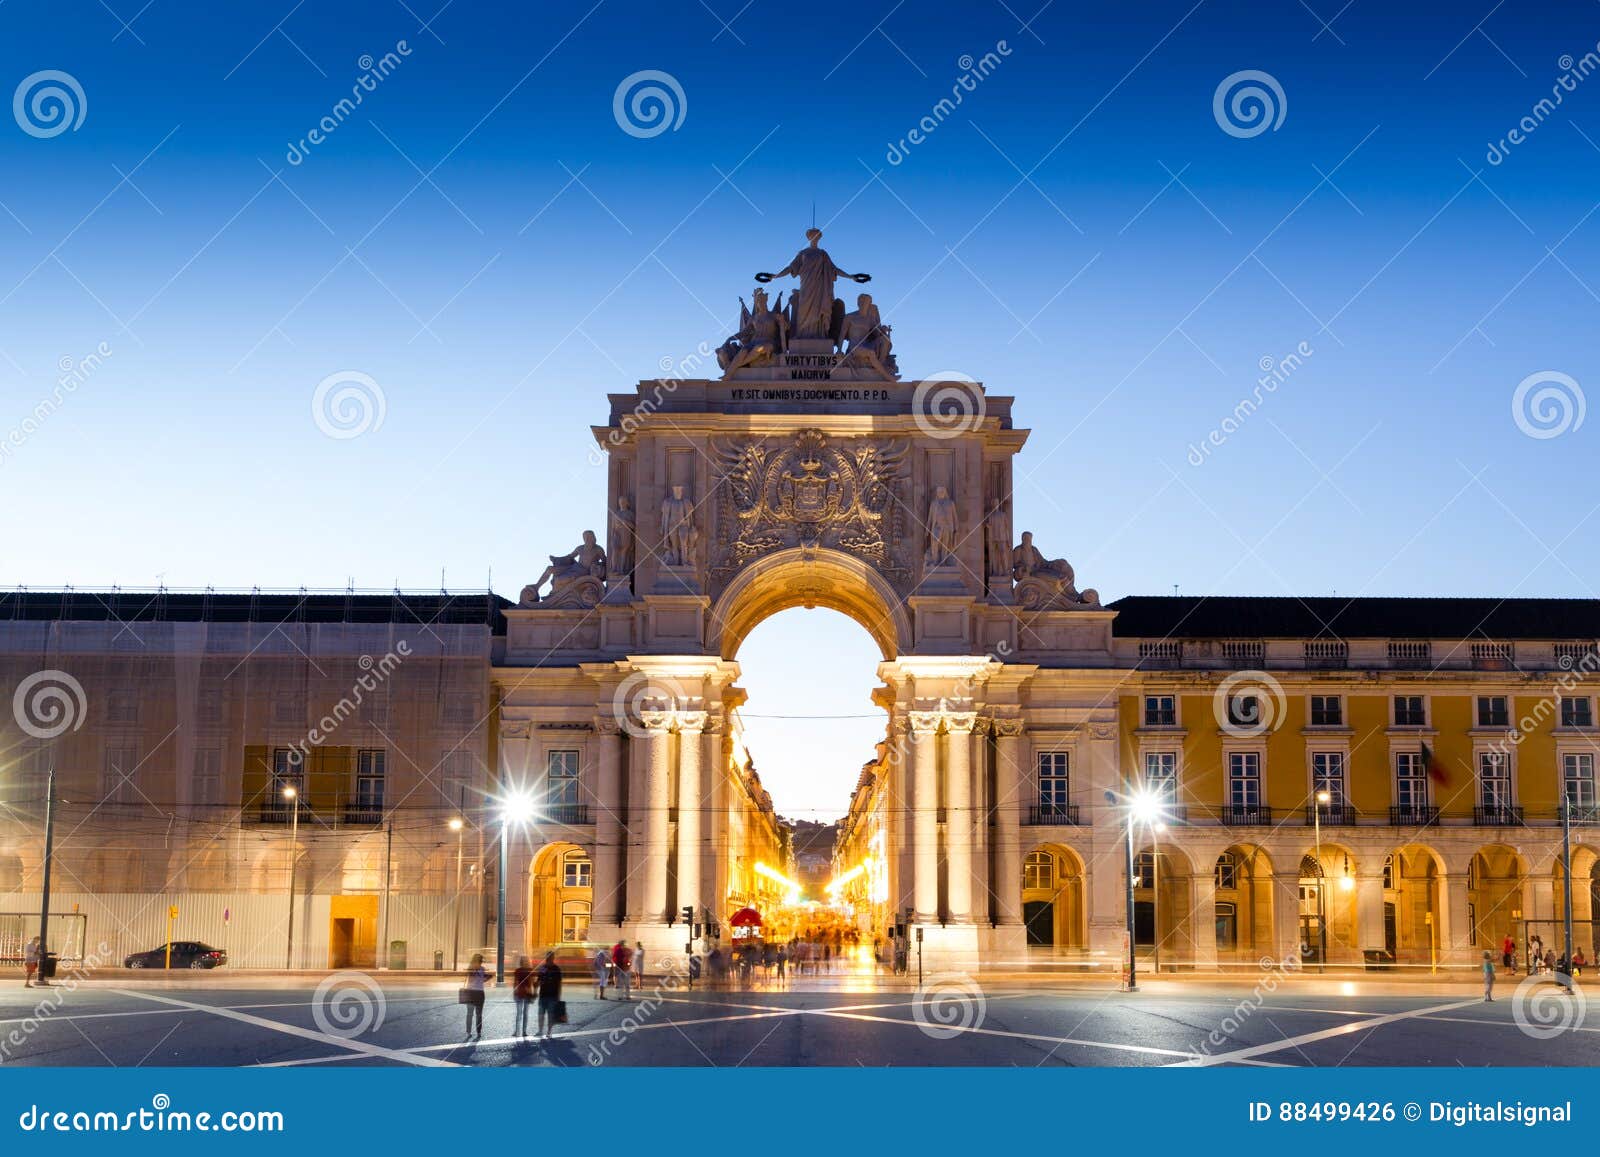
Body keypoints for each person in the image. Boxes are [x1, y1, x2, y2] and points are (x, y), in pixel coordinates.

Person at [535, 950, 563, 1040]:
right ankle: (541, 1031)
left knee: (549, 1014)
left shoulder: (556, 969)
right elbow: (538, 980)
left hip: (552, 995)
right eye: (548, 957)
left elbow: (559, 984)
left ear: (552, 958)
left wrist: (558, 996)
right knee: (541, 1014)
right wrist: (536, 986)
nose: (549, 959)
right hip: (543, 994)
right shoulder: (544, 968)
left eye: (550, 957)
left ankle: (548, 1032)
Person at [462, 953, 488, 1039]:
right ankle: (469, 1031)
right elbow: (472, 980)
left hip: (479, 993)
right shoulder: (471, 969)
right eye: (479, 961)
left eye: (481, 962)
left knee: (478, 1014)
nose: (480, 963)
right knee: (470, 1014)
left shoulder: (482, 969)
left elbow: (481, 981)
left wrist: (487, 978)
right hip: (472, 993)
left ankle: (478, 1031)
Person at [512, 955, 535, 1037]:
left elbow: (531, 983)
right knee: (522, 1013)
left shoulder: (519, 970)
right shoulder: (529, 970)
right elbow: (532, 983)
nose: (525, 962)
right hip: (523, 993)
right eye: (524, 960)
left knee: (522, 1013)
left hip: (522, 993)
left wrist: (515, 992)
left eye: (525, 960)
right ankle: (521, 1032)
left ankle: (520, 1031)